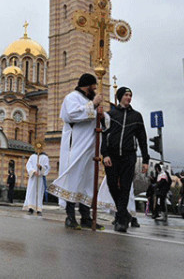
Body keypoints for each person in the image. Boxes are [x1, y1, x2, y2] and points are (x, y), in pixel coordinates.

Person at [48, 73, 104, 230]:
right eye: (93, 87)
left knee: (87, 181)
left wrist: (102, 114)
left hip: (91, 148)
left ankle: (86, 217)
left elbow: (103, 120)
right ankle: (70, 216)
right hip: (76, 145)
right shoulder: (71, 97)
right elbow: (72, 115)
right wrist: (93, 105)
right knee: (73, 179)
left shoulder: (88, 100)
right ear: (86, 87)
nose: (94, 90)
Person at [101, 87, 149, 232]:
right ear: (120, 97)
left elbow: (142, 139)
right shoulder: (110, 115)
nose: (129, 97)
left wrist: (146, 160)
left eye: (130, 95)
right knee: (112, 185)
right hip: (112, 156)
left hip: (129, 156)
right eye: (126, 95)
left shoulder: (136, 116)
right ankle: (124, 213)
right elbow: (104, 135)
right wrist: (105, 154)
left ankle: (121, 219)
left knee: (126, 187)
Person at [23, 145, 50, 215]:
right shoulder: (32, 157)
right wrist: (33, 171)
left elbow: (47, 168)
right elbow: (28, 165)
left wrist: (41, 168)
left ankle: (39, 209)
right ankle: (30, 208)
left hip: (40, 178)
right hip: (33, 178)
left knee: (39, 193)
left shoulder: (45, 157)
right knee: (31, 192)